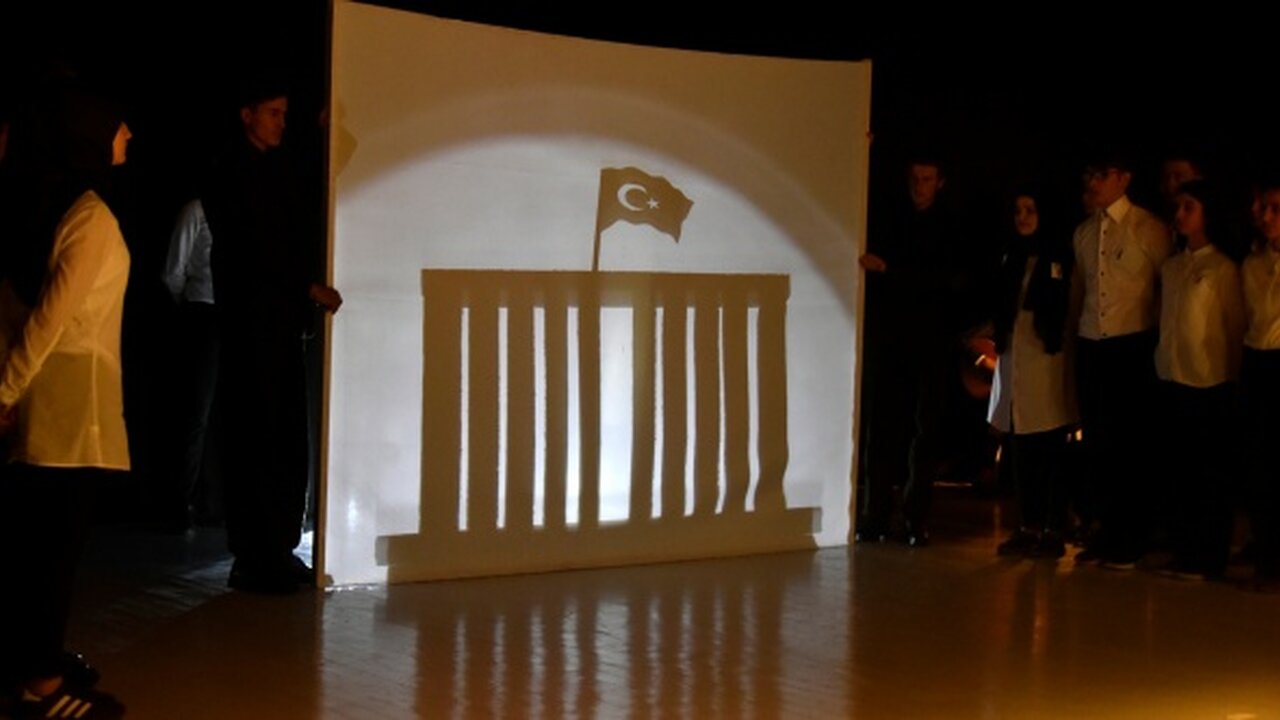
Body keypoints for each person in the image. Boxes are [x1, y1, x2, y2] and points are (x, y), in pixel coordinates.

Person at [0, 86, 130, 719]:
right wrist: (4, 390)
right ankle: (41, 687)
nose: (128, 133)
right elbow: (51, 319)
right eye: (116, 124)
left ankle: (36, 665)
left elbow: (16, 312)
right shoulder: (89, 215)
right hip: (74, 410)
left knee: (37, 549)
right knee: (52, 554)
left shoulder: (39, 209)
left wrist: (8, 388)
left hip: (45, 405)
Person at [203, 79, 341, 593]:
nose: (281, 122)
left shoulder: (272, 170)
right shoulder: (231, 171)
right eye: (273, 113)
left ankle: (275, 549)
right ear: (247, 114)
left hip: (277, 326)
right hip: (252, 325)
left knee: (282, 435)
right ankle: (257, 553)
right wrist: (307, 286)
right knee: (257, 435)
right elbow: (250, 247)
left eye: (285, 114)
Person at [856, 157, 976, 547]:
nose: (919, 185)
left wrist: (892, 272)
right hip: (891, 337)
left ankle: (913, 516)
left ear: (940, 182)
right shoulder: (890, 219)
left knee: (925, 430)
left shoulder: (951, 227)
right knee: (882, 426)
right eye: (914, 178)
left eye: (926, 179)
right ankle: (874, 514)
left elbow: (951, 281)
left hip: (931, 340)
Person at [1071, 152, 1172, 568]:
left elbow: (1167, 288)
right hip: (1092, 344)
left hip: (1133, 345)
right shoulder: (1083, 232)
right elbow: (1082, 290)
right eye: (1089, 173)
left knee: (1131, 444)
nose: (1093, 182)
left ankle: (1132, 535)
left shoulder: (1149, 228)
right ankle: (1105, 530)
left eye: (1102, 174)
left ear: (1124, 178)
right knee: (1098, 442)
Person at [1153, 179, 1244, 580]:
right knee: (1179, 470)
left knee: (1209, 473)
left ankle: (1209, 555)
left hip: (1210, 383)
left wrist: (1232, 380)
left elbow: (1234, 326)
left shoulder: (1221, 268)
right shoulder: (1172, 267)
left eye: (1189, 206)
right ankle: (1184, 548)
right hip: (1173, 377)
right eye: (1179, 207)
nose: (1180, 214)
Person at [988, 187, 1078, 560]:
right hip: (1016, 359)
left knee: (1051, 447)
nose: (1023, 217)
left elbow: (1067, 311)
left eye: (1031, 210)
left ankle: (1054, 527)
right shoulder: (1012, 256)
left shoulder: (1061, 257)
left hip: (1049, 358)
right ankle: (1028, 524)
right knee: (1021, 446)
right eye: (1018, 210)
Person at [159, 196, 221, 530]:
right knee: (196, 413)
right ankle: (179, 504)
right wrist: (188, 305)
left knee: (218, 416)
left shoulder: (236, 207)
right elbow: (173, 271)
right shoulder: (196, 210)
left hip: (232, 315)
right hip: (203, 313)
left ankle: (213, 504)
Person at [1240, 174, 1280, 592]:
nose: (1266, 216)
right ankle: (1267, 559)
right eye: (1264, 208)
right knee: (1260, 465)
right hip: (1258, 364)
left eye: (1276, 209)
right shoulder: (1252, 264)